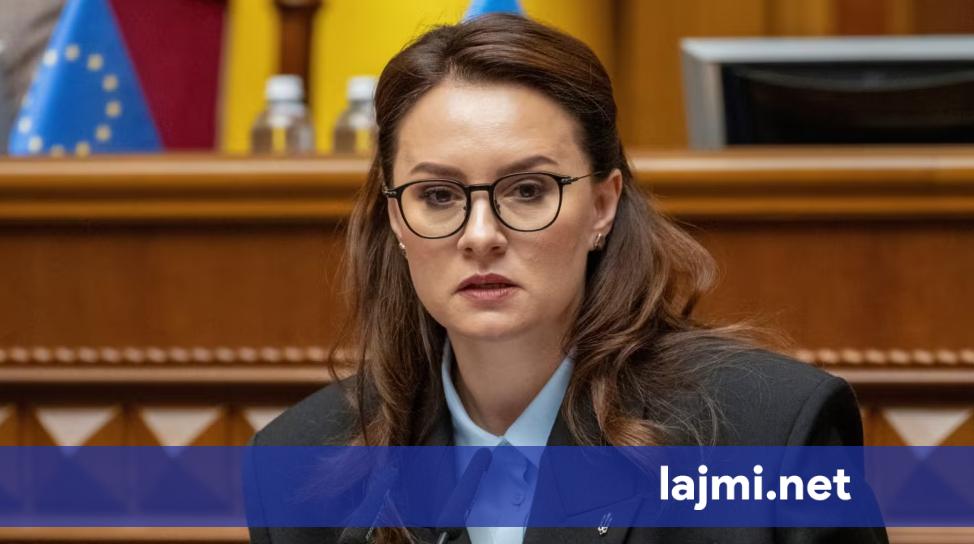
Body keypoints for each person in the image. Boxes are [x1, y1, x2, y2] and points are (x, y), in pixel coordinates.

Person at [247, 13, 889, 544]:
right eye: (438, 196)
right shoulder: (295, 465)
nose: (480, 235)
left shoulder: (767, 434)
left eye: (528, 190)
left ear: (603, 206)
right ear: (396, 218)